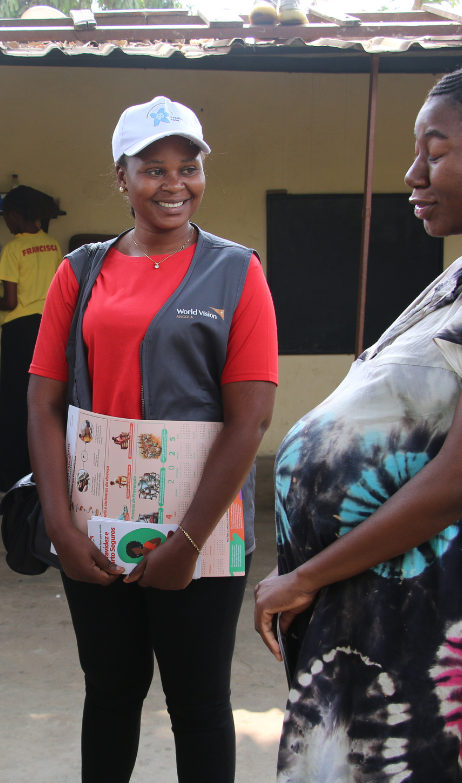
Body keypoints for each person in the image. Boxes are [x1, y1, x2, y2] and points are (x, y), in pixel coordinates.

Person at [253, 58, 462, 781]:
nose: (414, 173)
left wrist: (306, 577)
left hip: (435, 620)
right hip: (388, 612)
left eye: (435, 152)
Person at [28, 95, 279, 783]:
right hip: (96, 528)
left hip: (200, 531)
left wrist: (188, 544)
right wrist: (60, 526)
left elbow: (249, 419)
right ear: (121, 177)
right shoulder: (79, 272)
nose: (175, 184)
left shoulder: (237, 273)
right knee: (110, 695)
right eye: (154, 168)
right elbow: (44, 402)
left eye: (189, 166)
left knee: (198, 705)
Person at [0, 185, 62, 490]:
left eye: (5, 217)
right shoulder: (52, 245)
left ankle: (10, 477)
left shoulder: (13, 250)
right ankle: (39, 473)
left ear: (14, 215)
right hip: (48, 330)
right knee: (41, 402)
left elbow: (10, 302)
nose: (6, 223)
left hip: (18, 331)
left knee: (14, 402)